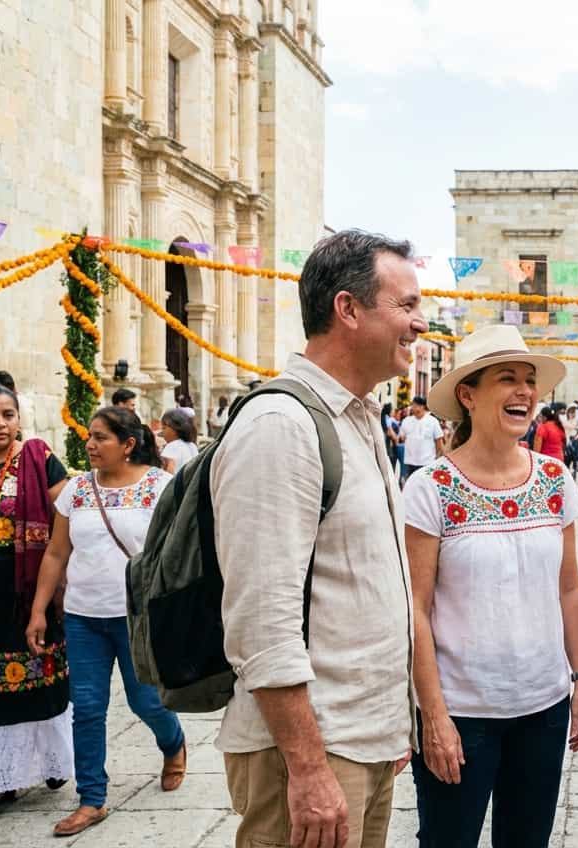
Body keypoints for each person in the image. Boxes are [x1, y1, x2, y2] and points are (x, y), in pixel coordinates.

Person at [212, 230, 425, 848]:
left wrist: (391, 726)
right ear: (349, 310)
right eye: (406, 305)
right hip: (310, 753)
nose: (419, 323)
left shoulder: (355, 421)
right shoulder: (281, 426)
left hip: (359, 741)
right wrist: (307, 768)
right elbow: (262, 620)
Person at [403, 325, 578, 847]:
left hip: (544, 706)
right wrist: (433, 716)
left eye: (529, 381)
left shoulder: (555, 479)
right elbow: (415, 608)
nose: (525, 392)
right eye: (507, 378)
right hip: (463, 713)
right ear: (468, 395)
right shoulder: (430, 489)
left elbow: (570, 590)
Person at [25, 406, 185, 837]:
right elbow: (57, 554)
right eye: (89, 437)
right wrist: (39, 610)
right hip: (83, 617)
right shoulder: (75, 490)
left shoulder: (159, 487)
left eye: (101, 438)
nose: (91, 445)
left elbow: (177, 552)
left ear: (128, 444)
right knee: (89, 709)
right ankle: (91, 798)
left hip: (139, 618)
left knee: (146, 702)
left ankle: (173, 743)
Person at [0, 386, 72, 817]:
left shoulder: (38, 459)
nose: (0, 423)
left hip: (25, 591)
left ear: (19, 419)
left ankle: (40, 767)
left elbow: (67, 521)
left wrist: (52, 596)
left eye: (8, 414)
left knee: (33, 684)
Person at [400, 396, 445, 482]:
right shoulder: (406, 421)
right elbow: (402, 437)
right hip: (410, 462)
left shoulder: (432, 421)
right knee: (411, 487)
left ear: (422, 406)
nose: (412, 407)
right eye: (412, 405)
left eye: (414, 405)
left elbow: (439, 441)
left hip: (427, 462)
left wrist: (441, 458)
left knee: (425, 488)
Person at [159, 409, 198, 474]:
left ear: (175, 429)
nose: (162, 432)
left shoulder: (172, 446)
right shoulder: (192, 445)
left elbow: (168, 473)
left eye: (164, 428)